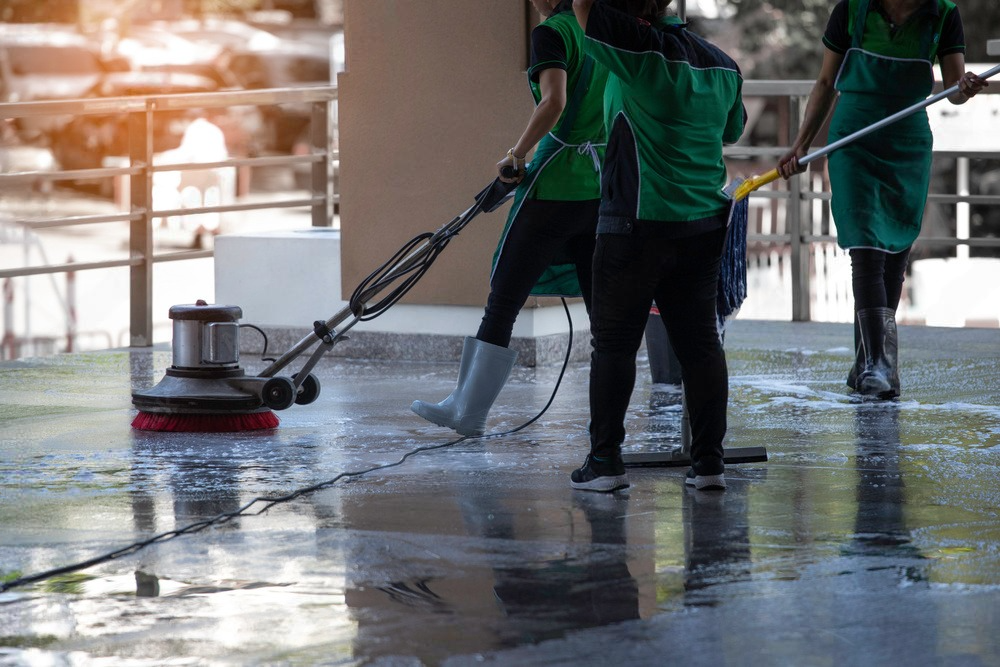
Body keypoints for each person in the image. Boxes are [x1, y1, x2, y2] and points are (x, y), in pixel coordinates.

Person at [570, 0, 747, 492]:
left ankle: (605, 462)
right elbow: (732, 131)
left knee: (613, 345)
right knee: (700, 347)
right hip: (704, 228)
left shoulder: (636, 50)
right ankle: (709, 463)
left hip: (635, 225)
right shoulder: (724, 66)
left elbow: (583, 7)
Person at [410, 0, 609, 436]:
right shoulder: (604, 30)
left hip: (555, 187)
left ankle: (469, 414)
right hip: (599, 188)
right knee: (604, 317)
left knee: (503, 299)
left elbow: (554, 101)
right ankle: (606, 432)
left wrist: (516, 155)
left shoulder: (552, 33)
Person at [777, 0, 988, 400]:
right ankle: (879, 365)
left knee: (894, 254)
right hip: (854, 137)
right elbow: (825, 83)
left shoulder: (942, 14)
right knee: (867, 246)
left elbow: (954, 90)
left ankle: (869, 363)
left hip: (906, 142)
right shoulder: (853, 11)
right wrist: (800, 145)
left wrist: (965, 90)